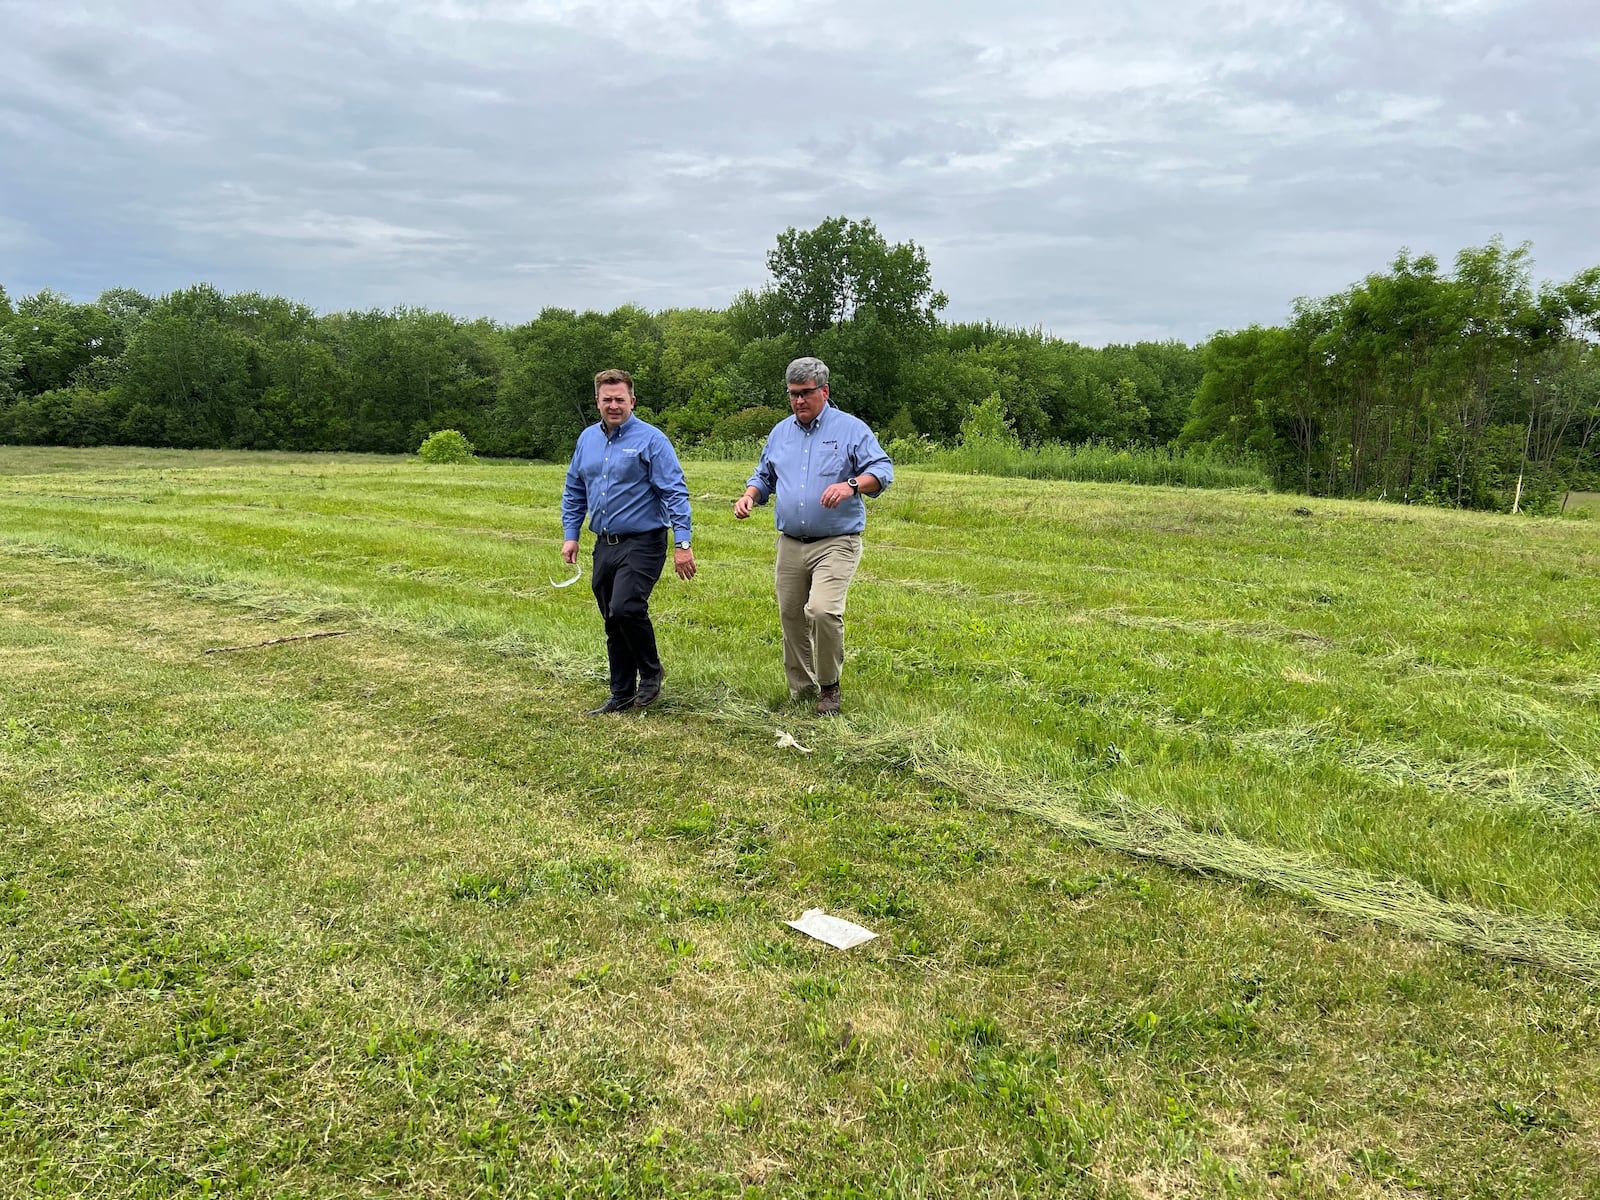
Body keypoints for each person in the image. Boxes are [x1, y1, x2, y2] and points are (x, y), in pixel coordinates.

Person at [734, 357, 892, 716]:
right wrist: (750, 495)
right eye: (793, 394)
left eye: (806, 393)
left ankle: (829, 687)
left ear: (824, 391)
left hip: (837, 541)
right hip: (791, 543)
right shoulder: (780, 432)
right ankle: (802, 690)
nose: (799, 401)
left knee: (821, 610)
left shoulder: (850, 429)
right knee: (791, 614)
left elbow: (882, 470)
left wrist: (851, 485)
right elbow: (764, 475)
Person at [561, 368, 695, 714]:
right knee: (611, 617)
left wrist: (683, 544)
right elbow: (575, 489)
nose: (614, 405)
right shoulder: (586, 440)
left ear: (632, 401)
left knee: (626, 607)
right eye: (607, 399)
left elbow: (675, 493)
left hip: (644, 540)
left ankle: (651, 673)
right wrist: (571, 535)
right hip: (605, 542)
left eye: (620, 399)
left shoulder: (652, 440)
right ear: (597, 402)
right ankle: (621, 693)